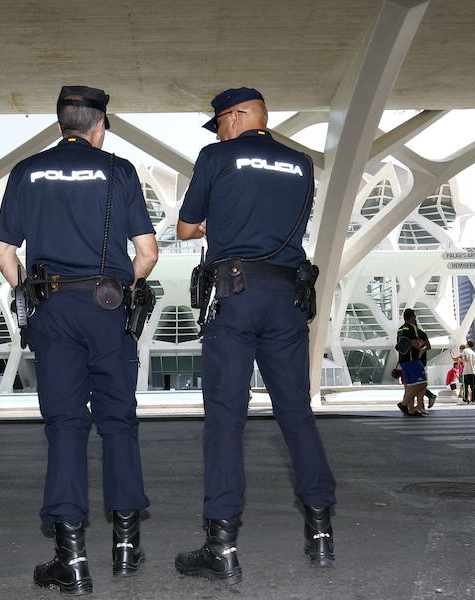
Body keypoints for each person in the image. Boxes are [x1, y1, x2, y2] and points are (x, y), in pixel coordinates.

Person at [0, 85, 158, 595]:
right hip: (107, 306)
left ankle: (72, 558)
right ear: (99, 126)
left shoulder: (27, 171)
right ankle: (126, 547)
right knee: (119, 421)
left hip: (53, 306)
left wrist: (33, 293)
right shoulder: (119, 170)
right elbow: (147, 253)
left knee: (65, 425)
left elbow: (2, 253)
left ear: (60, 124)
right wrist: (118, 288)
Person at [173, 87, 336, 583]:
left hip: (236, 296)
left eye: (219, 121)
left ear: (237, 116)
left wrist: (215, 227)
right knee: (296, 414)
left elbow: (185, 227)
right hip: (287, 298)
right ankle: (321, 533)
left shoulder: (217, 156)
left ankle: (220, 547)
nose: (217, 131)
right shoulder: (301, 163)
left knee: (226, 418)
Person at [395, 308, 430, 416]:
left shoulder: (400, 329)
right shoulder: (411, 327)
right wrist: (420, 348)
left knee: (410, 385)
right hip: (412, 359)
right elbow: (414, 342)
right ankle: (404, 404)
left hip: (403, 360)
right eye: (414, 316)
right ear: (412, 317)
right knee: (423, 383)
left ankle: (411, 409)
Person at [461, 340, 475, 405]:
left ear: (467, 344)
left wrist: (460, 360)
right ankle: (473, 401)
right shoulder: (473, 352)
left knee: (465, 386)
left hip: (467, 371)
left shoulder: (465, 350)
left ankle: (465, 400)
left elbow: (466, 359)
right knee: (473, 386)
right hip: (473, 372)